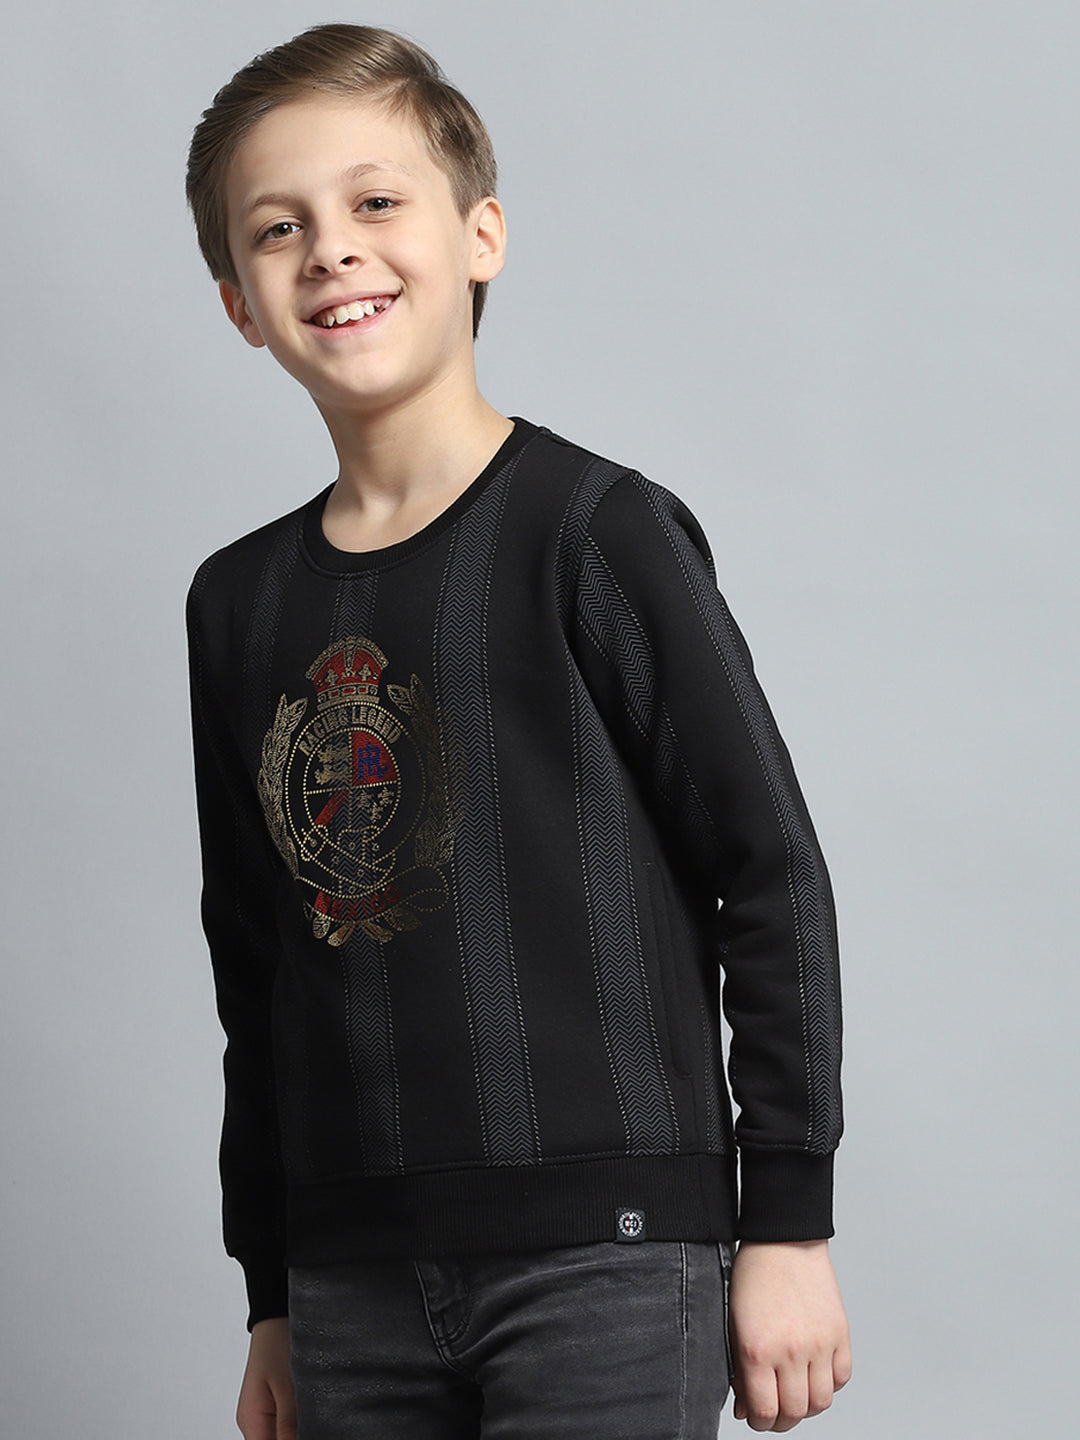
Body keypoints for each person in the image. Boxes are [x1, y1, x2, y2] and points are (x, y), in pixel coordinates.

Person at [184, 23, 852, 1439]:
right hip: (348, 1277)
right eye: (278, 228)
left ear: (479, 234)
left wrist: (788, 1223)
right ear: (239, 302)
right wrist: (274, 1295)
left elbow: (770, 871)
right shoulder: (236, 604)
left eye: (376, 202)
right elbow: (255, 965)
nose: (332, 251)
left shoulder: (595, 532)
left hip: (606, 1256)